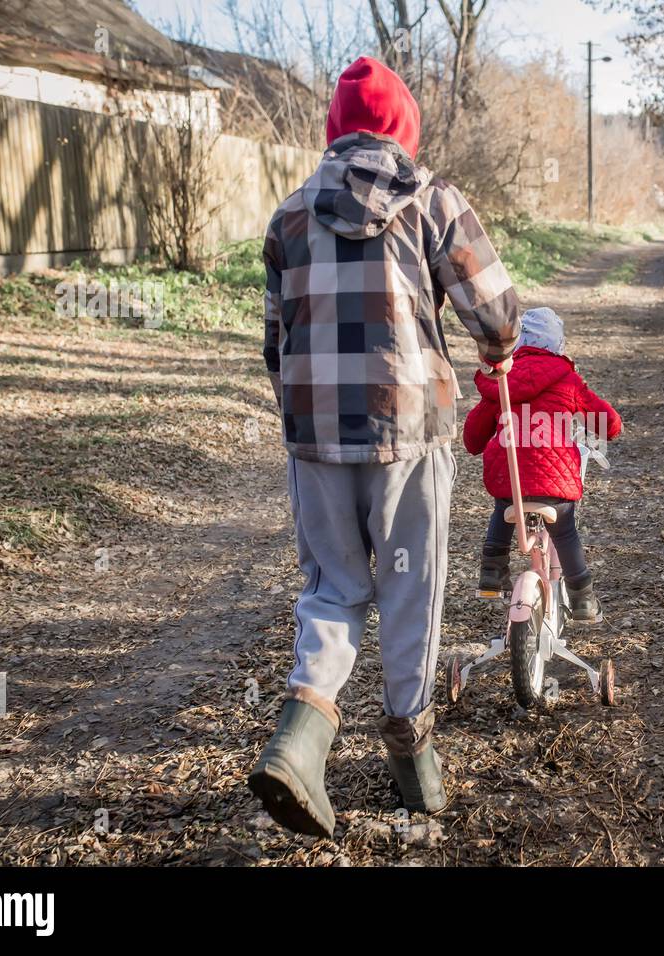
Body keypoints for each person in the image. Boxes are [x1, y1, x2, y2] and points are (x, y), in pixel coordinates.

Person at [249, 56, 520, 836]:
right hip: (408, 433)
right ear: (404, 129)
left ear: (335, 131)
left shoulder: (289, 214)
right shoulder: (432, 200)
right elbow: (499, 314)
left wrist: (307, 422)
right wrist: (492, 348)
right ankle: (413, 763)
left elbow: (276, 344)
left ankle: (301, 739)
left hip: (314, 439)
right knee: (410, 589)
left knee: (333, 589)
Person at [462, 307, 622, 621]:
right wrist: (604, 427)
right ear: (558, 345)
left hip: (509, 478)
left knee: (504, 503)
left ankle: (491, 571)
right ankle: (582, 597)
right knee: (564, 531)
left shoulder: (502, 383)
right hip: (555, 482)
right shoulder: (567, 378)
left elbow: (472, 439)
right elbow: (610, 424)